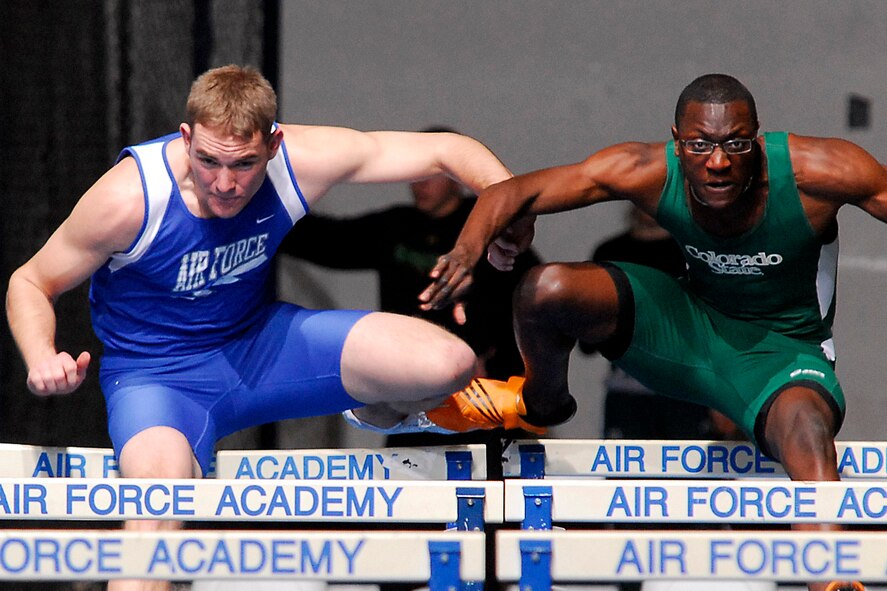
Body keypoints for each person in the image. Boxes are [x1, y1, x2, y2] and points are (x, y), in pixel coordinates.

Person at [4, 64, 516, 591]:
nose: (224, 183)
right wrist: (41, 353)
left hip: (263, 346)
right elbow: (31, 281)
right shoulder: (128, 199)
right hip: (157, 380)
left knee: (448, 363)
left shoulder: (303, 160)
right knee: (149, 543)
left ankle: (369, 406)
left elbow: (446, 151)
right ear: (186, 138)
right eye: (207, 161)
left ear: (273, 146)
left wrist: (508, 212)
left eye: (244, 164)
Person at [419, 73, 886, 591]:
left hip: (783, 355)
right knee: (544, 289)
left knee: (807, 430)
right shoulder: (646, 169)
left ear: (757, 139)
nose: (718, 161)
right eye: (699, 145)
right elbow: (516, 190)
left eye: (736, 144)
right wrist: (469, 248)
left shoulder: (820, 172)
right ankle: (539, 403)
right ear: (676, 142)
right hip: (687, 328)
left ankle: (831, 579)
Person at [580, 204, 713, 441]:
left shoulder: (692, 251)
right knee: (624, 472)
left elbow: (712, 322)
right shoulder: (610, 251)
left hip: (688, 389)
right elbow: (588, 330)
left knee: (693, 474)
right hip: (628, 390)